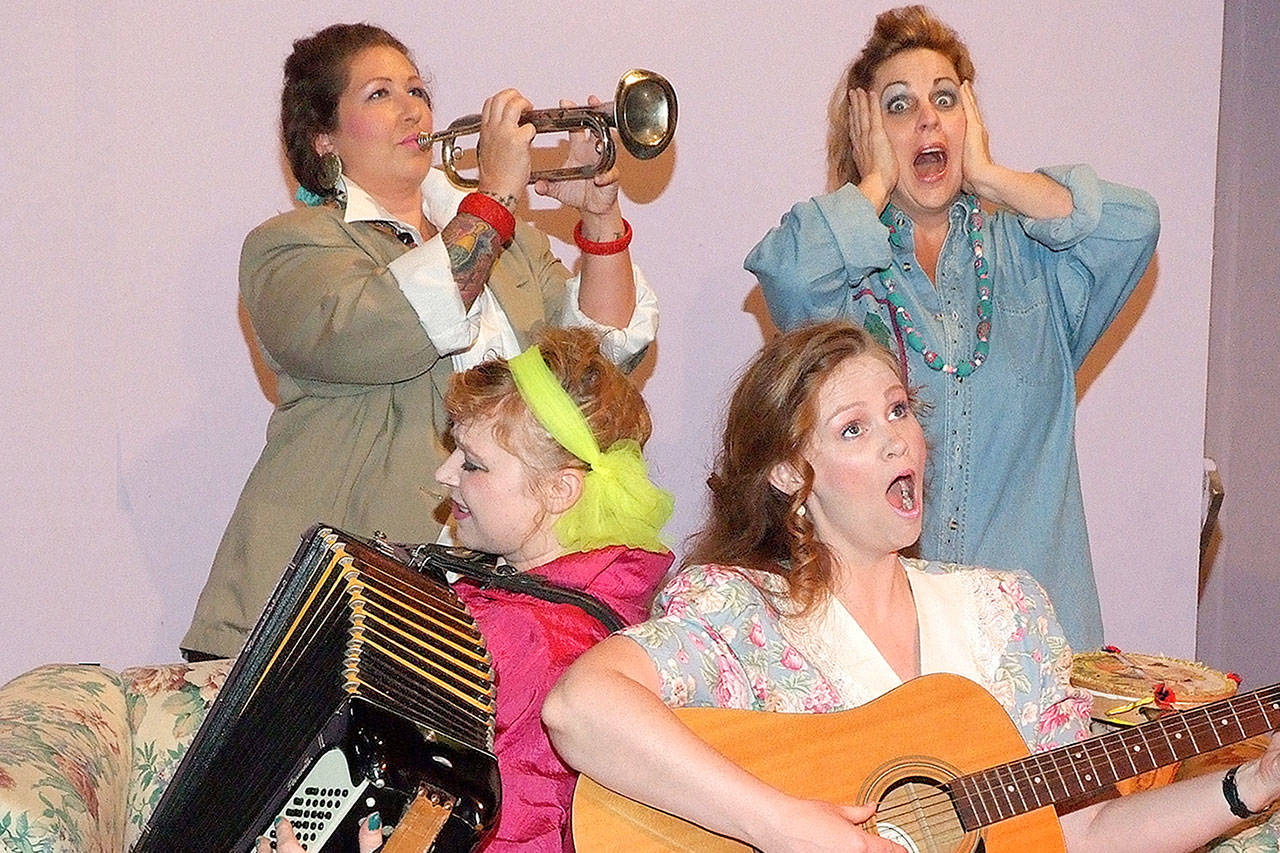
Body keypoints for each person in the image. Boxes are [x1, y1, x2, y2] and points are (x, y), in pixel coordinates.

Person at [542, 321, 1279, 853]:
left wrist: (1247, 783)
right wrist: (782, 824)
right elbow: (580, 707)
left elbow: (1079, 833)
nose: (898, 437)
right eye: (854, 428)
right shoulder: (735, 611)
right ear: (791, 473)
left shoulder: (1008, 612)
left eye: (898, 410)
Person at [183, 23, 659, 659]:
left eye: (416, 89)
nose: (413, 108)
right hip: (310, 618)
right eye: (379, 94)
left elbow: (594, 367)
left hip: (471, 614)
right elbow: (390, 325)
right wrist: (492, 198)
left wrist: (600, 218)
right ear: (324, 139)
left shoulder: (508, 243)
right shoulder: (291, 247)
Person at [743, 5, 1160, 650]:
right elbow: (786, 274)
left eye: (945, 99)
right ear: (865, 133)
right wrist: (875, 181)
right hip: (896, 642)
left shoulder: (1032, 259)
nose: (928, 118)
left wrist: (991, 176)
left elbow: (1134, 224)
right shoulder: (843, 278)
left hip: (1037, 638)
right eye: (899, 106)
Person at [259, 326, 674, 852]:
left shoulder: (524, 638)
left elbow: (516, 832)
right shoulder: (613, 602)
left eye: (472, 464)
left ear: (560, 489)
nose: (444, 473)